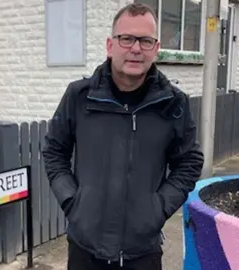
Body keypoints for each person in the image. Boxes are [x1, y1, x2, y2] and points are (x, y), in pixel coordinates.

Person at [42, 3, 204, 270]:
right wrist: (73, 201)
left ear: (156, 47)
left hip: (142, 255)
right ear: (110, 45)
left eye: (145, 40)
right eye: (127, 38)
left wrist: (158, 209)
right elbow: (53, 151)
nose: (136, 48)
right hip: (85, 252)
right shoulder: (80, 97)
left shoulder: (173, 104)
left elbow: (189, 162)